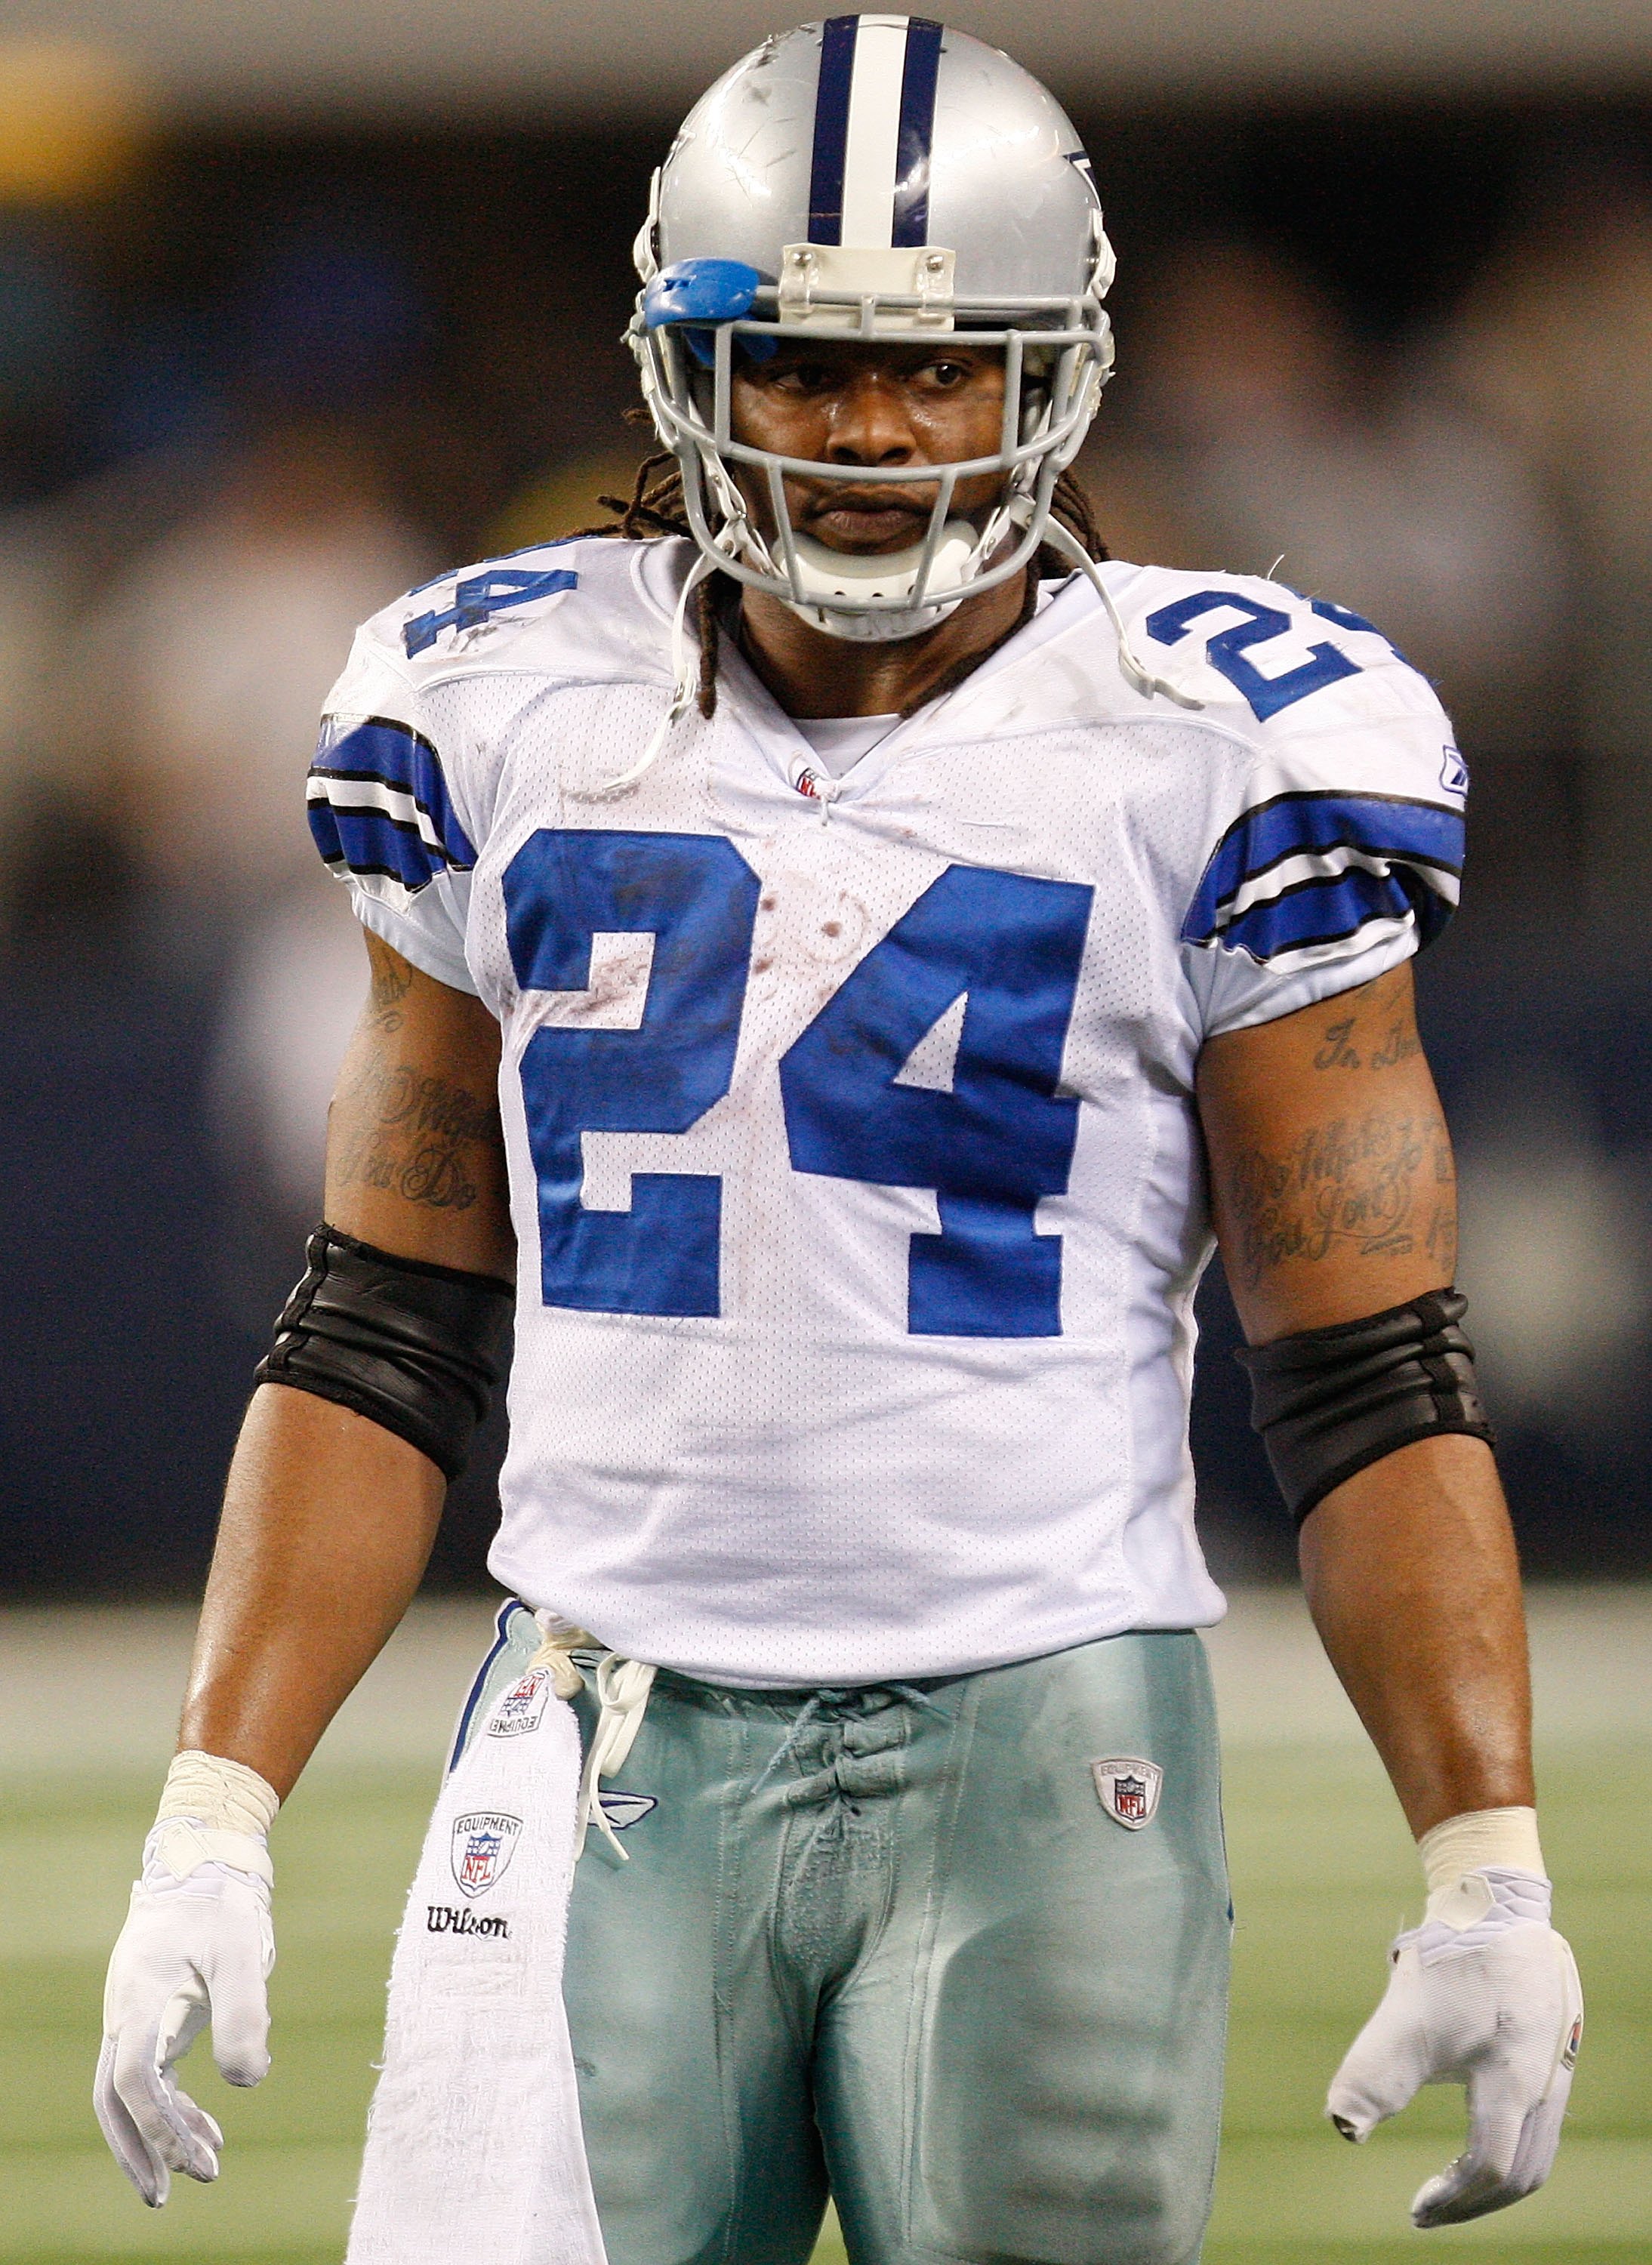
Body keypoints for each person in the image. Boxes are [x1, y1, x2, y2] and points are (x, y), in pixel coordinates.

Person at [95, 20, 1582, 2265]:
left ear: (1054, 372)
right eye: (793, 362)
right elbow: (382, 1326)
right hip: (597, 1717)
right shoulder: (498, 705)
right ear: (678, 368)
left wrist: (1484, 1861)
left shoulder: (1217, 743)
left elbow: (1368, 1368)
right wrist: (211, 1814)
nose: (874, 425)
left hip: (1043, 1721)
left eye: (945, 365)